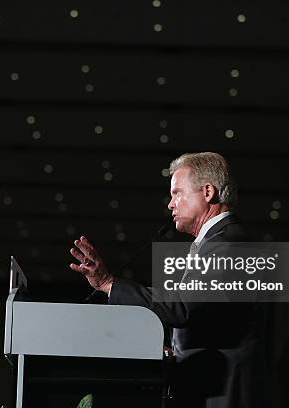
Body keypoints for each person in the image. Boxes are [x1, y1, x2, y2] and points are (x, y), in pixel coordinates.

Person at [69, 152, 268, 408]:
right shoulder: (217, 241)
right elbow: (206, 316)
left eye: (177, 193)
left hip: (224, 391)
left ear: (208, 192)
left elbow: (185, 306)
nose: (170, 204)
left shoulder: (229, 242)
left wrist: (110, 283)